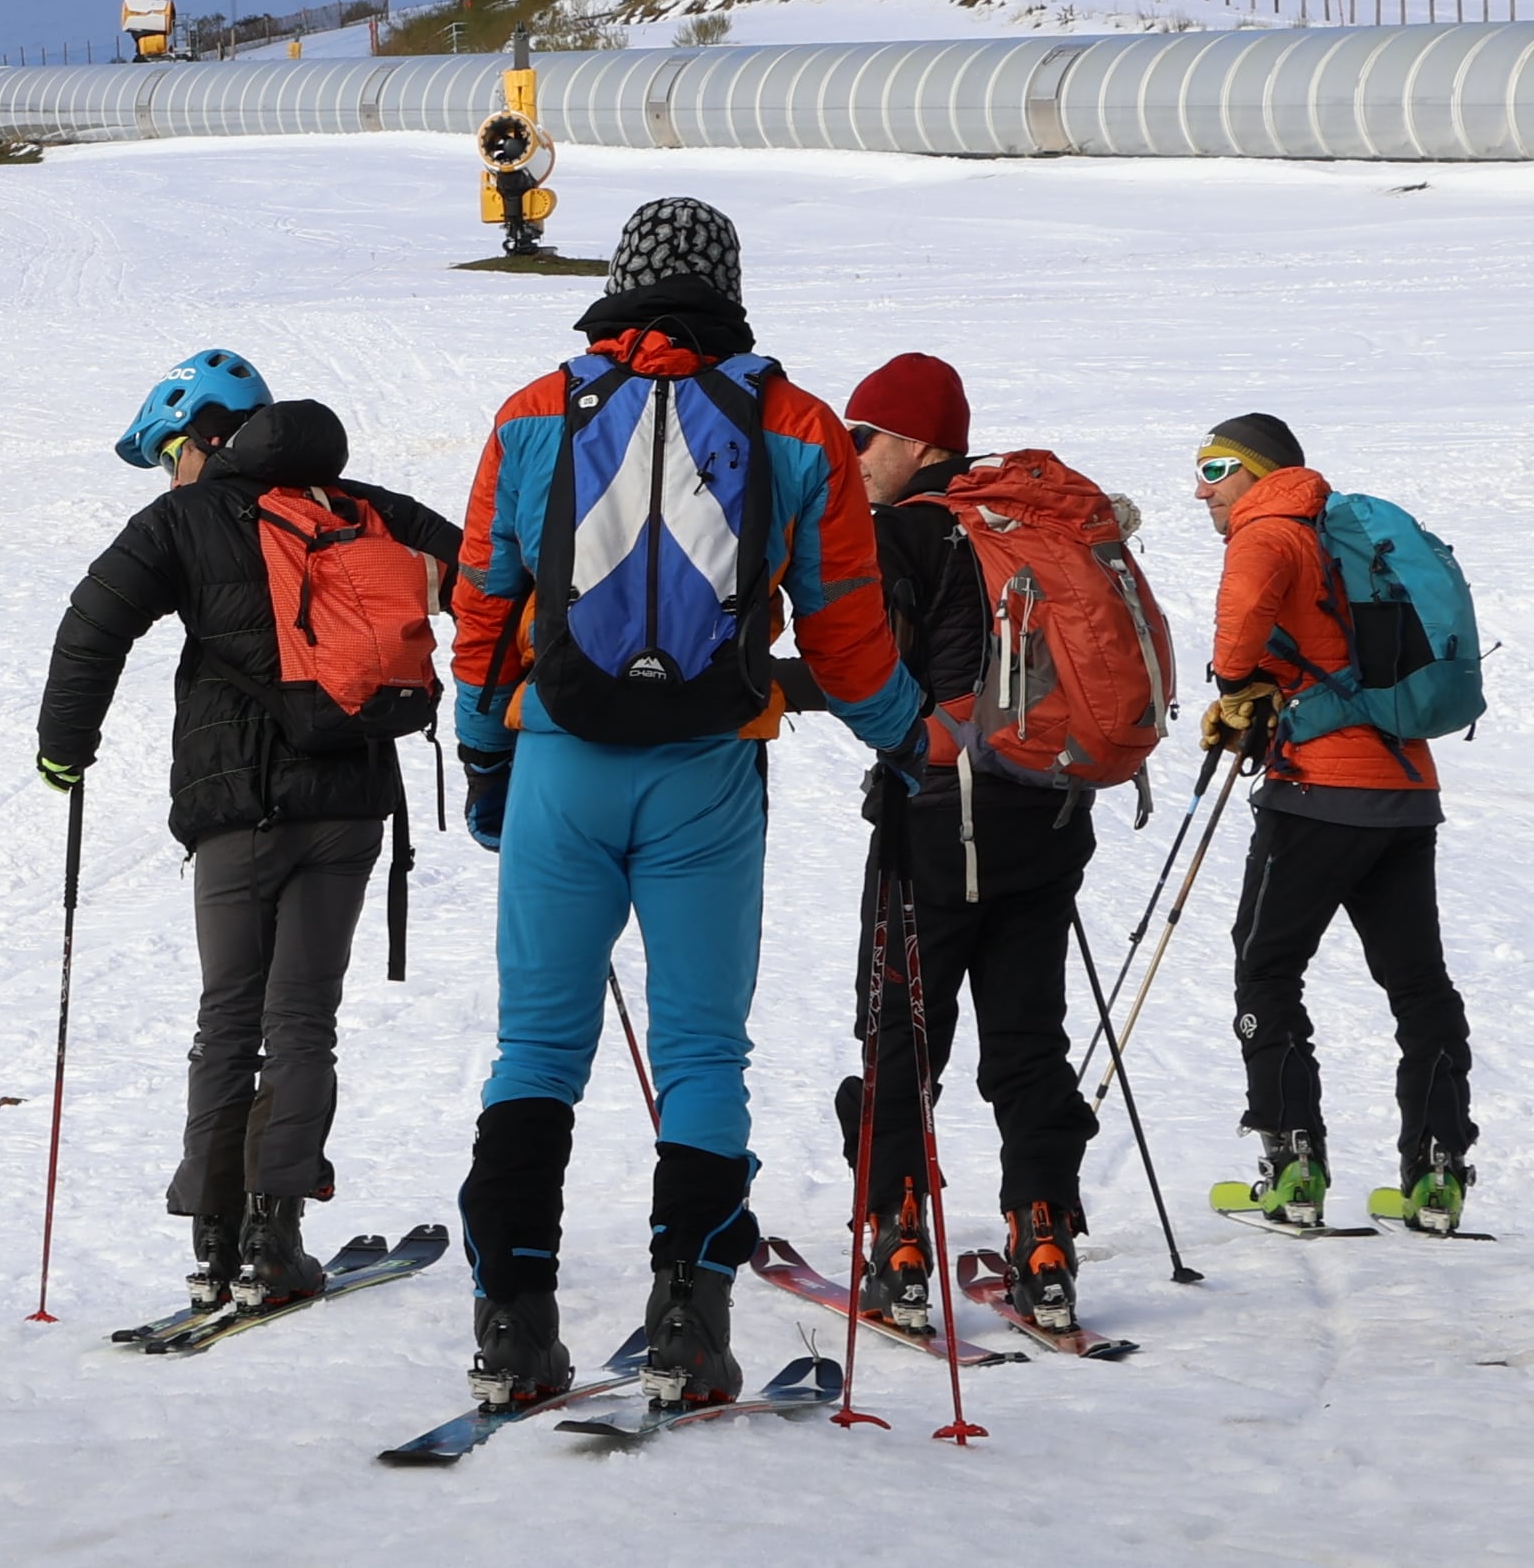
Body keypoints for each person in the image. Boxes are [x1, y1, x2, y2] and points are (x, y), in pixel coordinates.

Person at [446, 199, 923, 1414]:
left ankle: (511, 1318)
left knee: (535, 1048)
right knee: (703, 1047)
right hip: (706, 767)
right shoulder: (794, 424)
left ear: (618, 281)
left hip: (559, 757)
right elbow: (845, 628)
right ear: (727, 284)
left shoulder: (535, 410)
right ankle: (686, 1318)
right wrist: (905, 738)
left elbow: (484, 600)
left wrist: (483, 752)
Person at [34, 351, 463, 1314]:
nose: (169, 473)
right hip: (348, 803)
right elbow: (484, 578)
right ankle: (277, 1238)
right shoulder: (364, 507)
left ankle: (215, 1238)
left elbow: (91, 627)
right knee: (302, 1017)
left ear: (206, 439)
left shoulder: (182, 520)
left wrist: (66, 748)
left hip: (235, 809)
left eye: (169, 453)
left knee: (228, 1015)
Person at [833, 354, 1099, 1332]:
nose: (853, 454)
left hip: (931, 824)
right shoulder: (1026, 525)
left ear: (918, 442)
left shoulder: (907, 530)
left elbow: (859, 664)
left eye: (865, 435)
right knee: (1028, 1040)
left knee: (900, 1033)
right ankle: (1042, 1243)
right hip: (1046, 817)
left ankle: (899, 1246)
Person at [1197, 413, 1476, 1230]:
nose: (1201, 489)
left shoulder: (1267, 534)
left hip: (1318, 792)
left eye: (1215, 469)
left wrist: (1239, 690)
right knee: (1417, 981)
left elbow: (1232, 653)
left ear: (1255, 471)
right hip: (1404, 787)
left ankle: (1292, 1170)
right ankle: (1436, 1176)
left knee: (1266, 966)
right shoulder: (1339, 532)